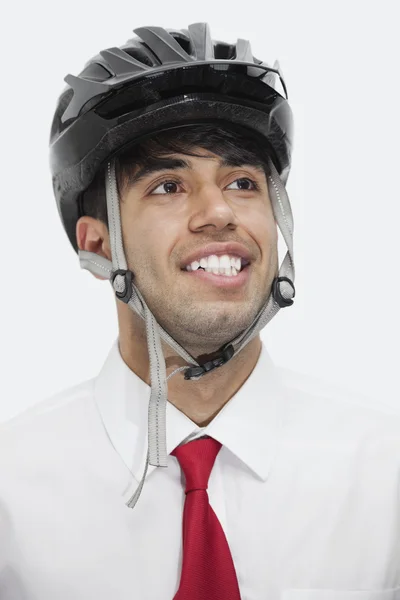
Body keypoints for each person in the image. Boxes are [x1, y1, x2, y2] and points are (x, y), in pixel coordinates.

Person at [0, 21, 399, 600]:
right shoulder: (10, 490)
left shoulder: (385, 475)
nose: (218, 212)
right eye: (167, 185)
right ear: (96, 244)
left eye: (242, 181)